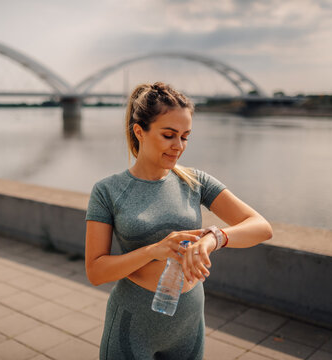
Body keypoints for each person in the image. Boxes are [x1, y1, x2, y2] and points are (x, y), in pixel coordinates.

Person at [84, 82, 273, 360]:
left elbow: (261, 227)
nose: (179, 146)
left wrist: (213, 238)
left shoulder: (194, 181)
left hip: (189, 323)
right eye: (169, 135)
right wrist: (153, 250)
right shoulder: (107, 191)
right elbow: (96, 271)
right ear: (140, 131)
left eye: (185, 136)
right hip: (132, 326)